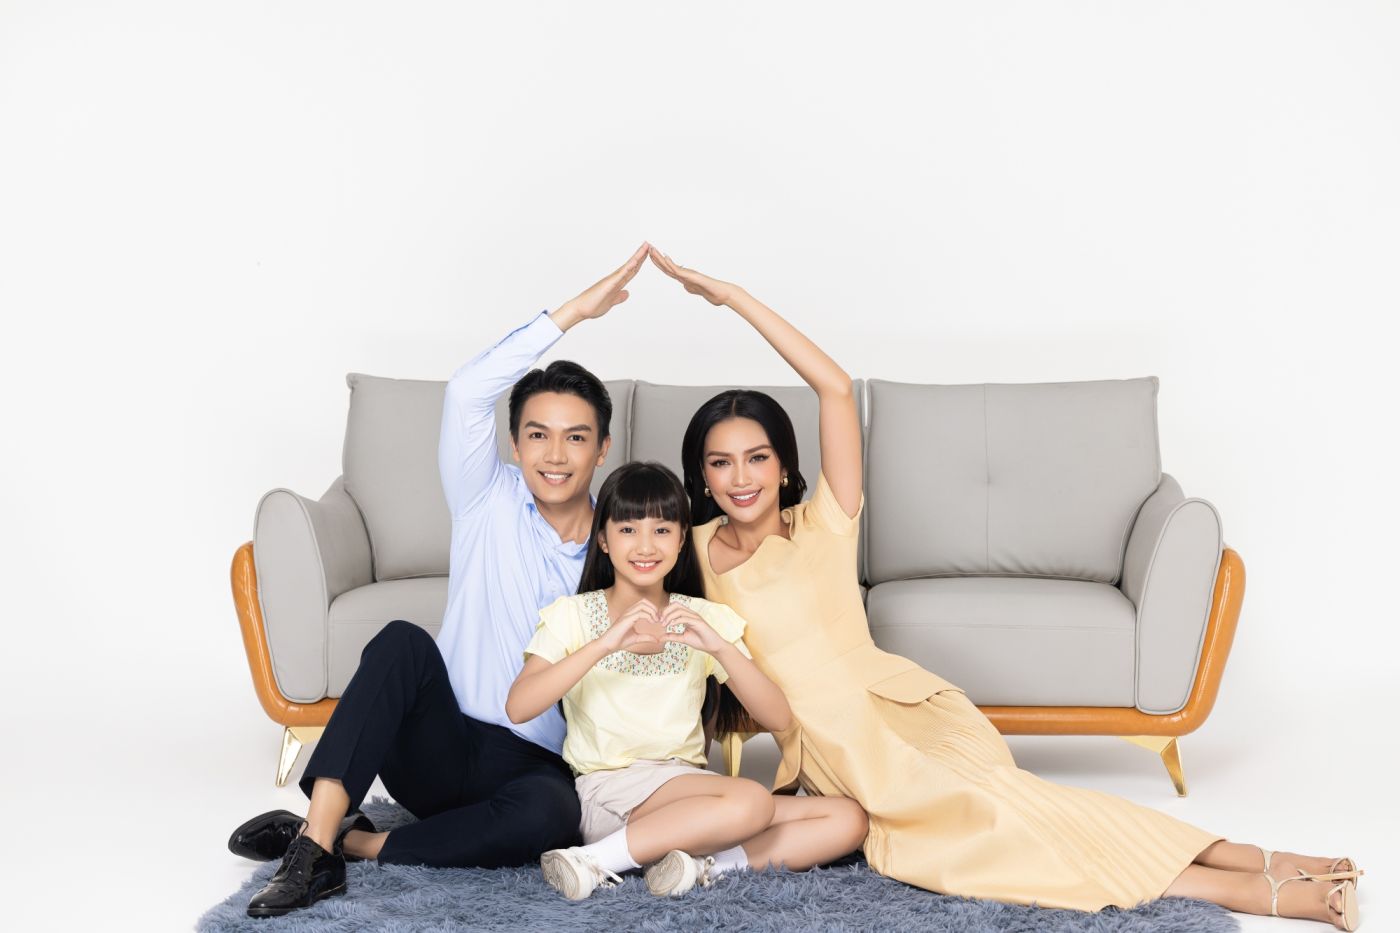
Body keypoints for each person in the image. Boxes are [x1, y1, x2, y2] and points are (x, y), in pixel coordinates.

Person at [646, 246, 1363, 930]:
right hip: (836, 749)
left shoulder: (824, 523)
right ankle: (1265, 877)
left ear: (784, 464)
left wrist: (733, 298)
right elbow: (613, 548)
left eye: (757, 457)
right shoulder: (691, 549)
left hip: (905, 708)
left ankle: (1265, 872)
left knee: (1021, 812)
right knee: (1006, 830)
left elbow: (833, 387)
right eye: (721, 463)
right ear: (700, 475)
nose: (740, 478)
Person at [227, 244, 651, 918]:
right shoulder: (485, 496)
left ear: (602, 449)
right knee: (400, 641)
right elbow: (466, 391)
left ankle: (349, 842)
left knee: (553, 815)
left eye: (576, 438)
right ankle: (313, 848)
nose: (555, 454)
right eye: (538, 435)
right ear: (514, 444)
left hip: (532, 765)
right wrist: (573, 313)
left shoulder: (624, 544)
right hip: (438, 738)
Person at [505, 461, 867, 901]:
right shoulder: (573, 615)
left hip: (692, 795)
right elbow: (519, 706)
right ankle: (592, 859)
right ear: (603, 540)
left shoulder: (703, 618)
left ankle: (699, 869)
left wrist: (719, 647)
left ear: (681, 540)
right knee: (752, 801)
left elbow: (778, 718)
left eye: (661, 530)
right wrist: (604, 644)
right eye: (627, 530)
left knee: (847, 819)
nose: (645, 546)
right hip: (610, 795)